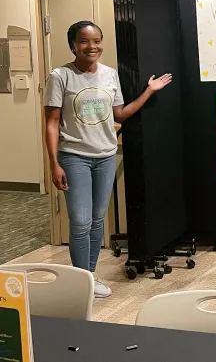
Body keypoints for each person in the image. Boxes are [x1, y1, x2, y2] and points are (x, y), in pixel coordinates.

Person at [44, 21, 172, 298]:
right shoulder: (60, 76)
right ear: (73, 45)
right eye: (84, 41)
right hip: (73, 156)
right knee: (80, 221)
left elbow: (120, 115)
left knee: (97, 219)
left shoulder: (109, 75)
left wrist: (149, 91)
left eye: (97, 41)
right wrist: (53, 163)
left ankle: (89, 276)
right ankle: (81, 281)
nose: (92, 47)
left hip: (105, 155)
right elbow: (52, 123)